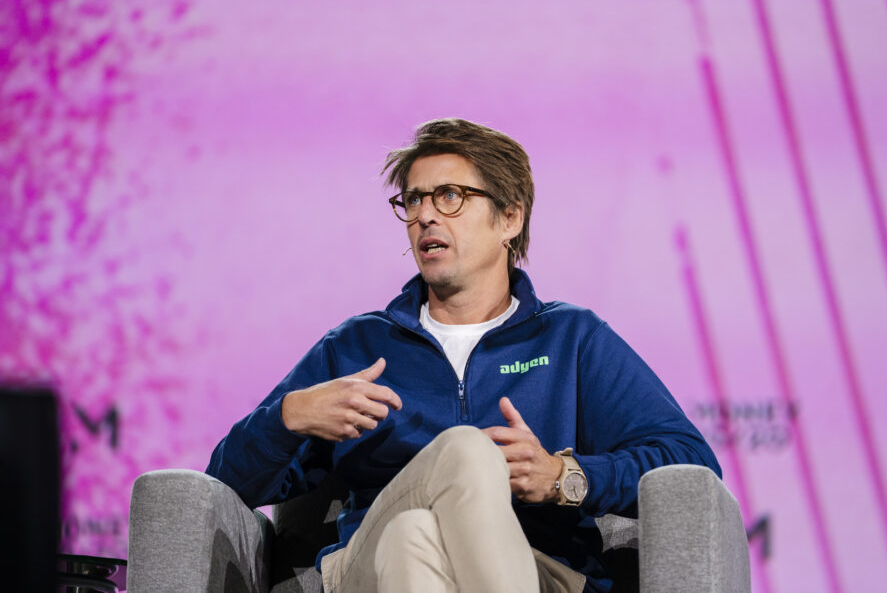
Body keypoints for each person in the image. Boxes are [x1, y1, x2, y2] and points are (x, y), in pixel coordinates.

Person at [206, 118, 720, 593]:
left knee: (411, 536)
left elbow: (690, 463)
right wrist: (287, 417)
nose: (425, 215)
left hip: (541, 569)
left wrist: (565, 477)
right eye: (413, 200)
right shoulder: (357, 346)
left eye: (450, 196)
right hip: (365, 572)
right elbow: (222, 489)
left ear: (510, 218)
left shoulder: (570, 338)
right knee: (464, 456)